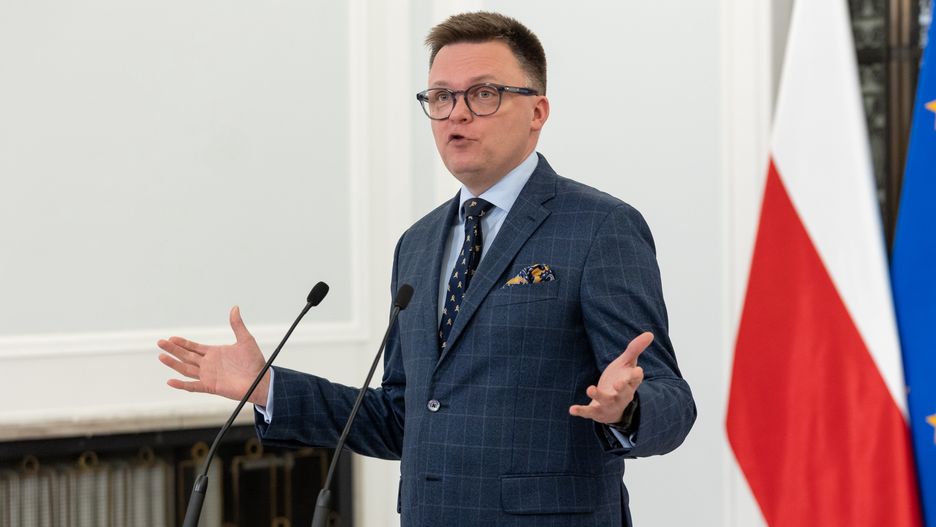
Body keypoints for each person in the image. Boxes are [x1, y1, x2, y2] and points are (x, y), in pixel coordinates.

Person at [158, 11, 695, 526]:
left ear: (538, 111)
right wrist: (267, 386)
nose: (456, 113)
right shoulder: (416, 244)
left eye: (483, 94)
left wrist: (626, 408)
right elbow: (403, 417)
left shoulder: (600, 227)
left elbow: (673, 400)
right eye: (441, 97)